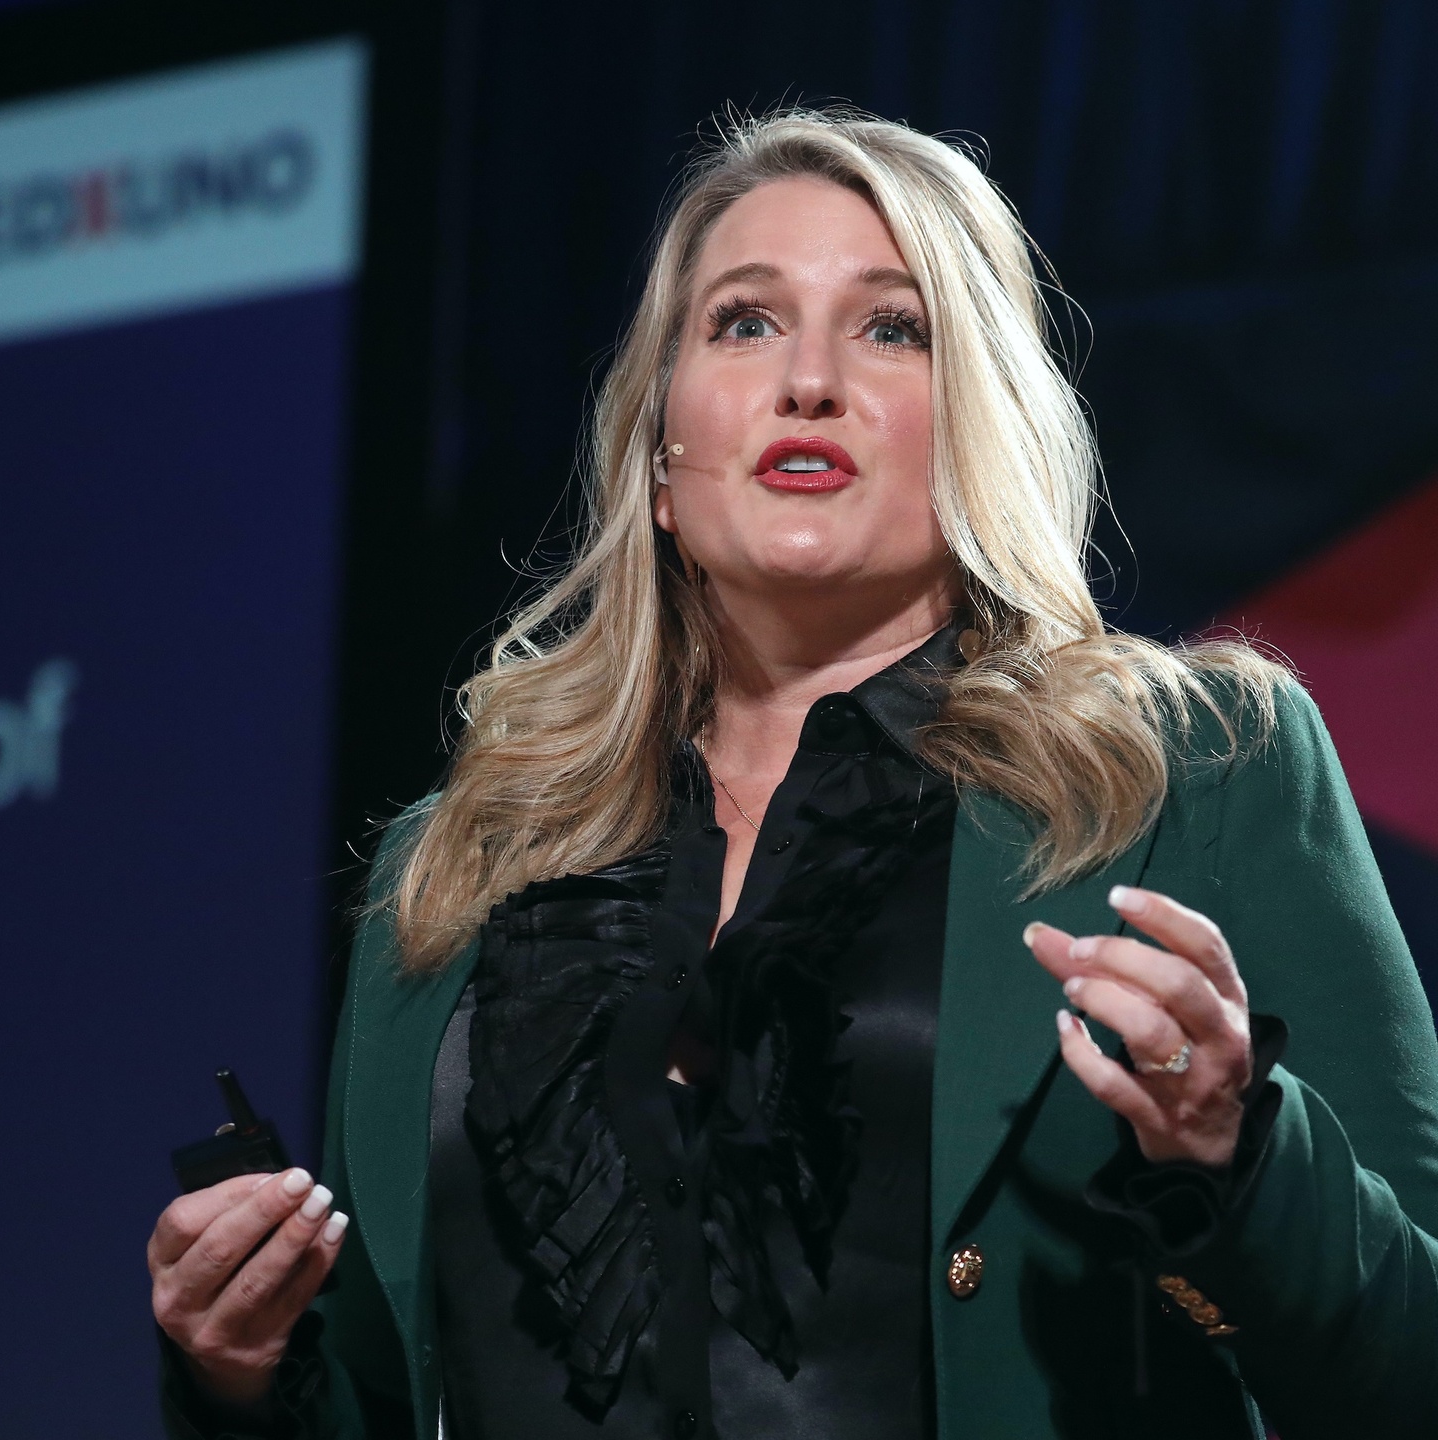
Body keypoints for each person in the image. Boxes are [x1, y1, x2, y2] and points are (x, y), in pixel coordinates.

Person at [148, 110, 1438, 1440]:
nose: (809, 380)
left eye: (892, 328)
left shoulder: (1195, 775)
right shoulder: (458, 865)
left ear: (980, 426)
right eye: (745, 323)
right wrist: (236, 1373)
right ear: (662, 459)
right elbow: (379, 1387)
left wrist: (1242, 1152)